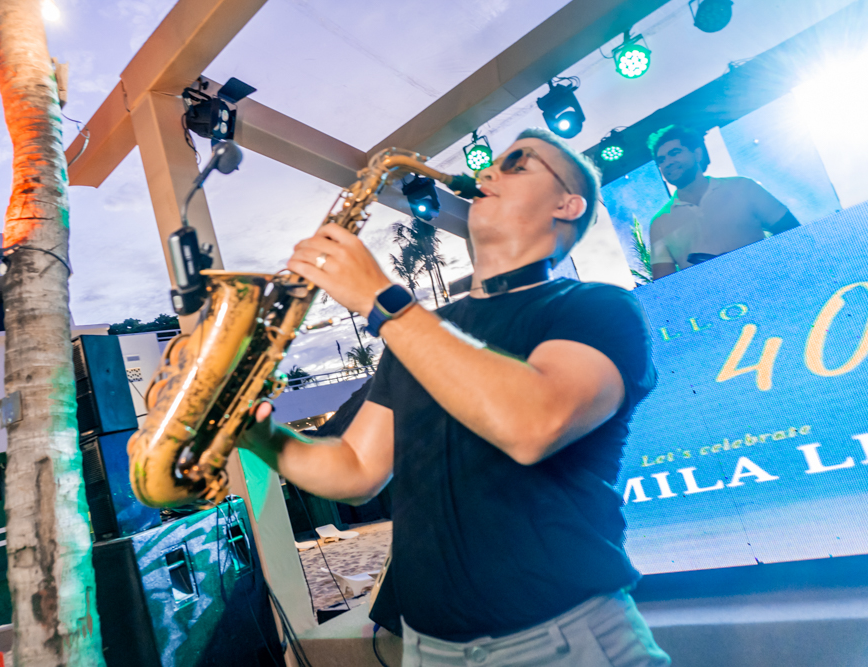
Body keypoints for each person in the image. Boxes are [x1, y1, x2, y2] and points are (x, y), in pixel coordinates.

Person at [242, 128, 669, 666]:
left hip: (563, 641)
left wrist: (382, 302)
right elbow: (355, 470)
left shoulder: (598, 308)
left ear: (567, 204)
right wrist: (259, 435)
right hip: (428, 650)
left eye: (518, 163)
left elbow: (533, 424)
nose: (488, 171)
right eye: (494, 163)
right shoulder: (416, 331)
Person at [648, 125, 800, 279]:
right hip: (710, 295)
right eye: (661, 160)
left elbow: (795, 233)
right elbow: (663, 282)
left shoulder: (743, 187)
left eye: (675, 153)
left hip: (768, 282)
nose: (668, 163)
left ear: (697, 154)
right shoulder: (659, 223)